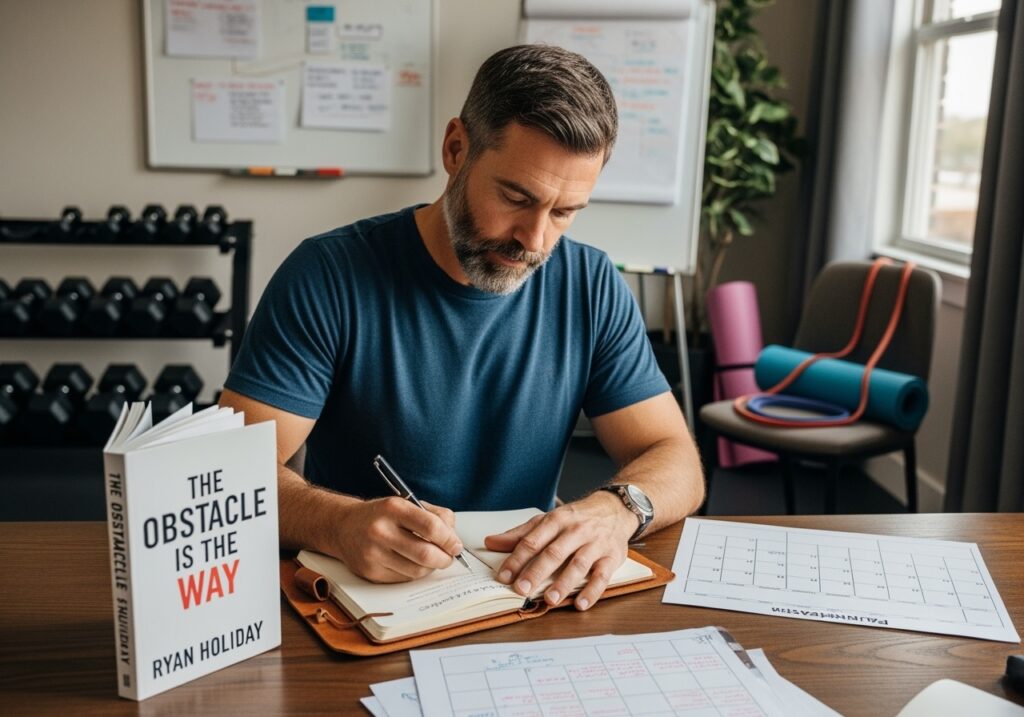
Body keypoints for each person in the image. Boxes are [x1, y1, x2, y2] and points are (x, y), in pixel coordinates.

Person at [219, 44, 704, 611]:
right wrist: (338, 523)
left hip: (524, 600)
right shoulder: (327, 275)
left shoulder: (591, 284)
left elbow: (675, 456)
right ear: (456, 149)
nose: (535, 240)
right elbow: (227, 471)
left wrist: (619, 508)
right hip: (368, 602)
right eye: (516, 197)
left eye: (566, 212)